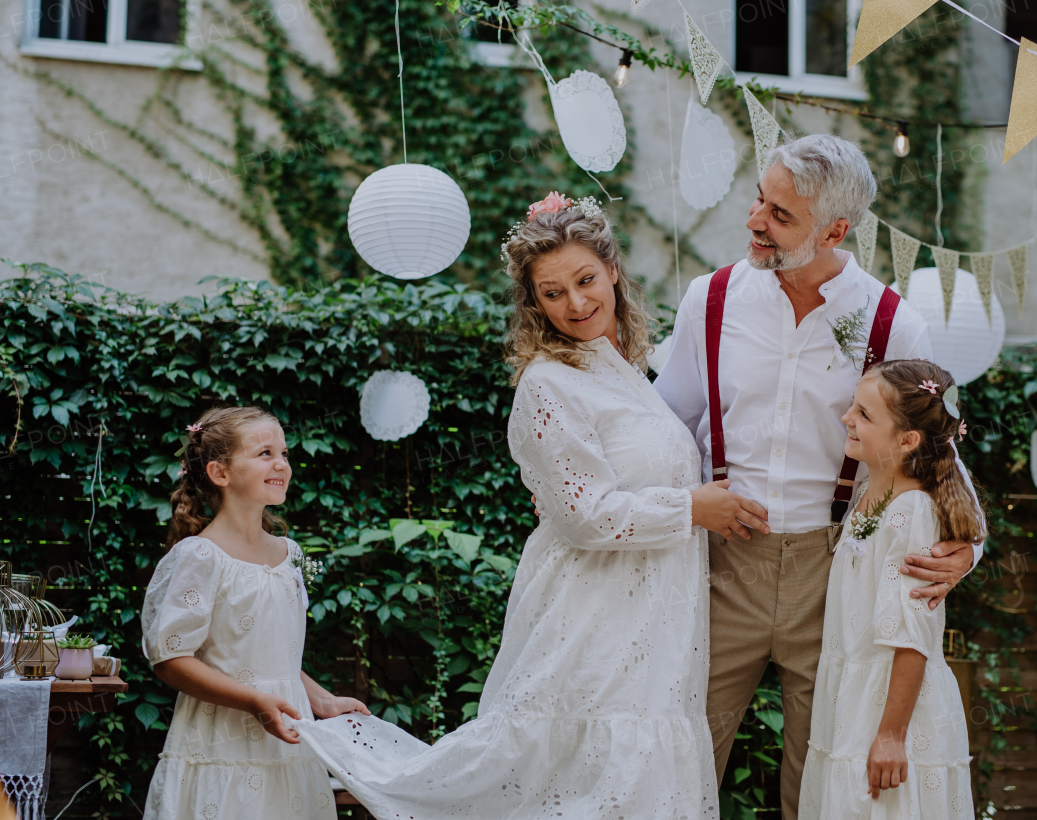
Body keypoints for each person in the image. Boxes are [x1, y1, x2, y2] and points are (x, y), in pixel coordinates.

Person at [292, 193, 768, 819]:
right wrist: (692, 509)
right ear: (533, 304)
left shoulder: (625, 371)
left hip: (658, 619)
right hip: (592, 615)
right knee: (580, 781)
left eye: (585, 280)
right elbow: (584, 514)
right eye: (552, 293)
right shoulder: (548, 383)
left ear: (613, 270)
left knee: (638, 781)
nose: (575, 303)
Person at [652, 134, 984, 820]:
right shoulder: (708, 301)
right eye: (759, 199)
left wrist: (968, 543)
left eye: (780, 214)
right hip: (719, 566)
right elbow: (661, 425)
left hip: (834, 574)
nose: (755, 220)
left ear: (836, 229)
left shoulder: (893, 320)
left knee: (821, 779)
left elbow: (938, 444)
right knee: (679, 759)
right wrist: (648, 495)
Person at [140, 405, 369, 820]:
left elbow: (270, 653)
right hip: (219, 744)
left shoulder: (290, 555)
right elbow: (171, 660)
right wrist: (255, 702)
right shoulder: (200, 557)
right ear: (220, 473)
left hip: (287, 743)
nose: (281, 463)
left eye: (284, 453)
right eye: (264, 453)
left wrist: (324, 701)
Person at [798, 359, 980, 818]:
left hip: (891, 709)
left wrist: (890, 735)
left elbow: (912, 637)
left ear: (907, 440)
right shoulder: (871, 494)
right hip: (852, 699)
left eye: (863, 414)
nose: (847, 419)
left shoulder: (912, 512)